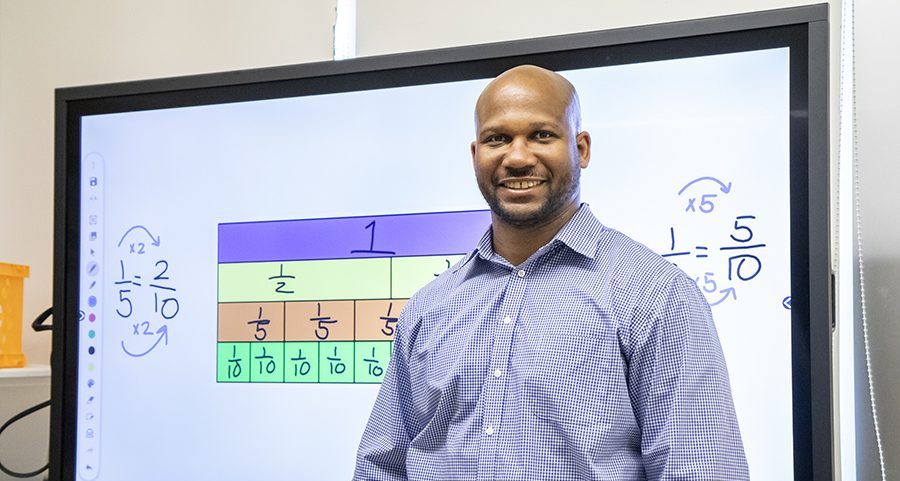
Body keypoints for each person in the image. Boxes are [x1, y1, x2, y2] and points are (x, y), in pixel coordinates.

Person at [353, 65, 748, 480]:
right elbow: (382, 466)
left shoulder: (656, 295)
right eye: (497, 139)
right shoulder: (429, 305)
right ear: (476, 155)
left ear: (582, 148)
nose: (518, 157)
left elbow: (703, 469)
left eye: (541, 135)